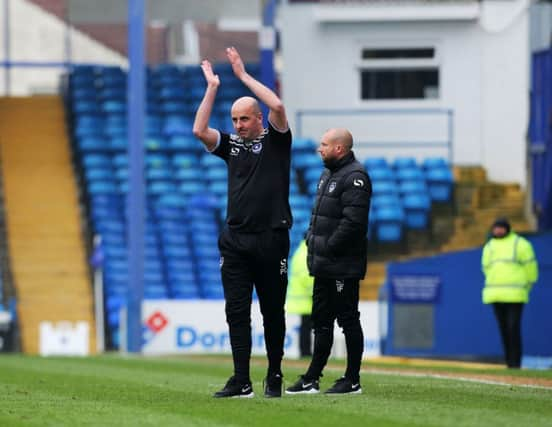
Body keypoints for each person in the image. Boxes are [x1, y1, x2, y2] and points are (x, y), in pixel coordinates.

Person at [192, 47, 292, 398]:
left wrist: (244, 77)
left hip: (271, 239)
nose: (238, 125)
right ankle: (241, 379)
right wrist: (213, 88)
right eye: (234, 120)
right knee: (236, 310)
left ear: (258, 119)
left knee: (271, 312)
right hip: (235, 240)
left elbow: (278, 106)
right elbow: (199, 129)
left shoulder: (277, 142)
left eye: (244, 119)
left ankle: (275, 374)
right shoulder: (231, 145)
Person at [286, 128, 372, 395]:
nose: (319, 149)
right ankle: (312, 378)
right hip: (324, 264)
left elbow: (353, 223)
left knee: (348, 319)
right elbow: (318, 217)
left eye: (324, 145)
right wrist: (312, 239)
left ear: (339, 149)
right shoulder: (328, 175)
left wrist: (327, 246)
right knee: (321, 321)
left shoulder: (355, 177)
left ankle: (352, 379)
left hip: (342, 266)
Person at [481, 218, 538, 369]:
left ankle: (515, 363)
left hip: (516, 295)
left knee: (513, 328)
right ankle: (509, 362)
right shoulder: (489, 246)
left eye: (500, 228)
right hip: (495, 294)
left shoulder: (520, 244)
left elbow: (531, 268)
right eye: (496, 228)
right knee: (504, 330)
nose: (498, 231)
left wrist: (527, 286)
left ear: (507, 228)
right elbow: (485, 268)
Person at [286, 239, 314, 358]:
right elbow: (306, 277)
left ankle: (305, 352)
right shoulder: (305, 253)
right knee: (307, 326)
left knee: (306, 326)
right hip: (305, 299)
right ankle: (306, 352)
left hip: (301, 298)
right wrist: (315, 292)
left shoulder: (300, 252)